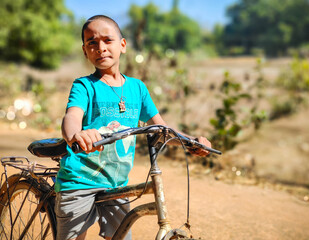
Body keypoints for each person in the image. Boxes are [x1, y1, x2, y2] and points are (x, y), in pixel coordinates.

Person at [54, 15, 212, 240]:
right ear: (85, 51)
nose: (100, 48)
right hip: (80, 181)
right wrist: (76, 135)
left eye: (108, 40)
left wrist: (191, 141)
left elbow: (161, 129)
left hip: (116, 184)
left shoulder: (137, 88)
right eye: (92, 42)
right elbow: (71, 116)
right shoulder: (84, 86)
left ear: (123, 45)